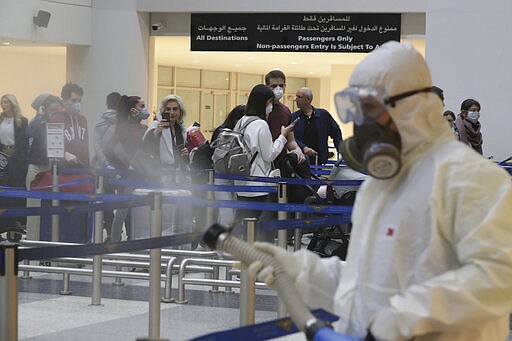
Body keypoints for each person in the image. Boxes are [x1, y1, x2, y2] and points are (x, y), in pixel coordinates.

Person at [249, 41, 512, 340]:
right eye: (356, 109)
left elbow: (496, 279)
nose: (363, 124)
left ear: (414, 107)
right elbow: (364, 282)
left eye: (371, 109)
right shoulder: (379, 186)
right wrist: (303, 272)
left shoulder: (471, 179)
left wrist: (402, 319)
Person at [234, 84, 295, 241]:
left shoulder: (241, 121)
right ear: (265, 102)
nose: (271, 107)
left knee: (244, 225)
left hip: (240, 181)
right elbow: (269, 155)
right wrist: (282, 136)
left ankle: (243, 257)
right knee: (257, 228)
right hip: (258, 184)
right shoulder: (261, 124)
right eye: (270, 103)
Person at [104, 95, 148, 242]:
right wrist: (122, 166)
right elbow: (108, 149)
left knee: (141, 211)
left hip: (145, 174)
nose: (145, 109)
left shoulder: (145, 128)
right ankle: (115, 241)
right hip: (131, 175)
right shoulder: (124, 127)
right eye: (142, 106)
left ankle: (135, 239)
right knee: (122, 211)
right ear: (133, 110)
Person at [212, 104, 246, 228]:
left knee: (228, 214)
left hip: (234, 178)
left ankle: (221, 241)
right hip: (222, 177)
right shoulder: (224, 133)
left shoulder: (239, 134)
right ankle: (222, 242)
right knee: (226, 214)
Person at [141, 94, 189, 182]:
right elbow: (145, 147)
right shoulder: (156, 125)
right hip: (157, 175)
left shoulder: (181, 130)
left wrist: (185, 153)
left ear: (180, 111)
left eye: (175, 109)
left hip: (177, 176)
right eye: (168, 109)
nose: (171, 112)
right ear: (163, 111)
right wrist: (157, 131)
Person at [0, 94, 29, 234]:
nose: (3, 105)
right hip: (2, 155)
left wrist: (14, 157)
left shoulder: (22, 121)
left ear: (12, 104)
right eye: (2, 102)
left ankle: (17, 221)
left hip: (17, 157)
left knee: (16, 188)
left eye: (6, 102)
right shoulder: (0, 120)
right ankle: (4, 221)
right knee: (4, 189)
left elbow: (23, 143)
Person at [291, 87, 343, 165]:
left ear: (308, 100)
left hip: (320, 159)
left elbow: (336, 132)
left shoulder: (323, 115)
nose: (296, 99)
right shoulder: (294, 117)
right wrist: (304, 148)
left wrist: (341, 150)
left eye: (299, 97)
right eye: (296, 96)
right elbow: (292, 137)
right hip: (301, 159)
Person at [264, 69, 305, 167]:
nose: (278, 89)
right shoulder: (260, 109)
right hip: (263, 162)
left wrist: (297, 150)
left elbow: (291, 140)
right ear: (267, 87)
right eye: (273, 86)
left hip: (280, 162)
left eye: (281, 86)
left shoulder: (286, 111)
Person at [49, 82, 89, 166]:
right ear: (64, 101)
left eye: (79, 101)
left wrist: (87, 166)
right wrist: (64, 154)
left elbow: (86, 147)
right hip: (63, 169)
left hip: (82, 168)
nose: (77, 104)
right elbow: (50, 147)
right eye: (73, 100)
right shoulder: (56, 119)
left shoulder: (83, 120)